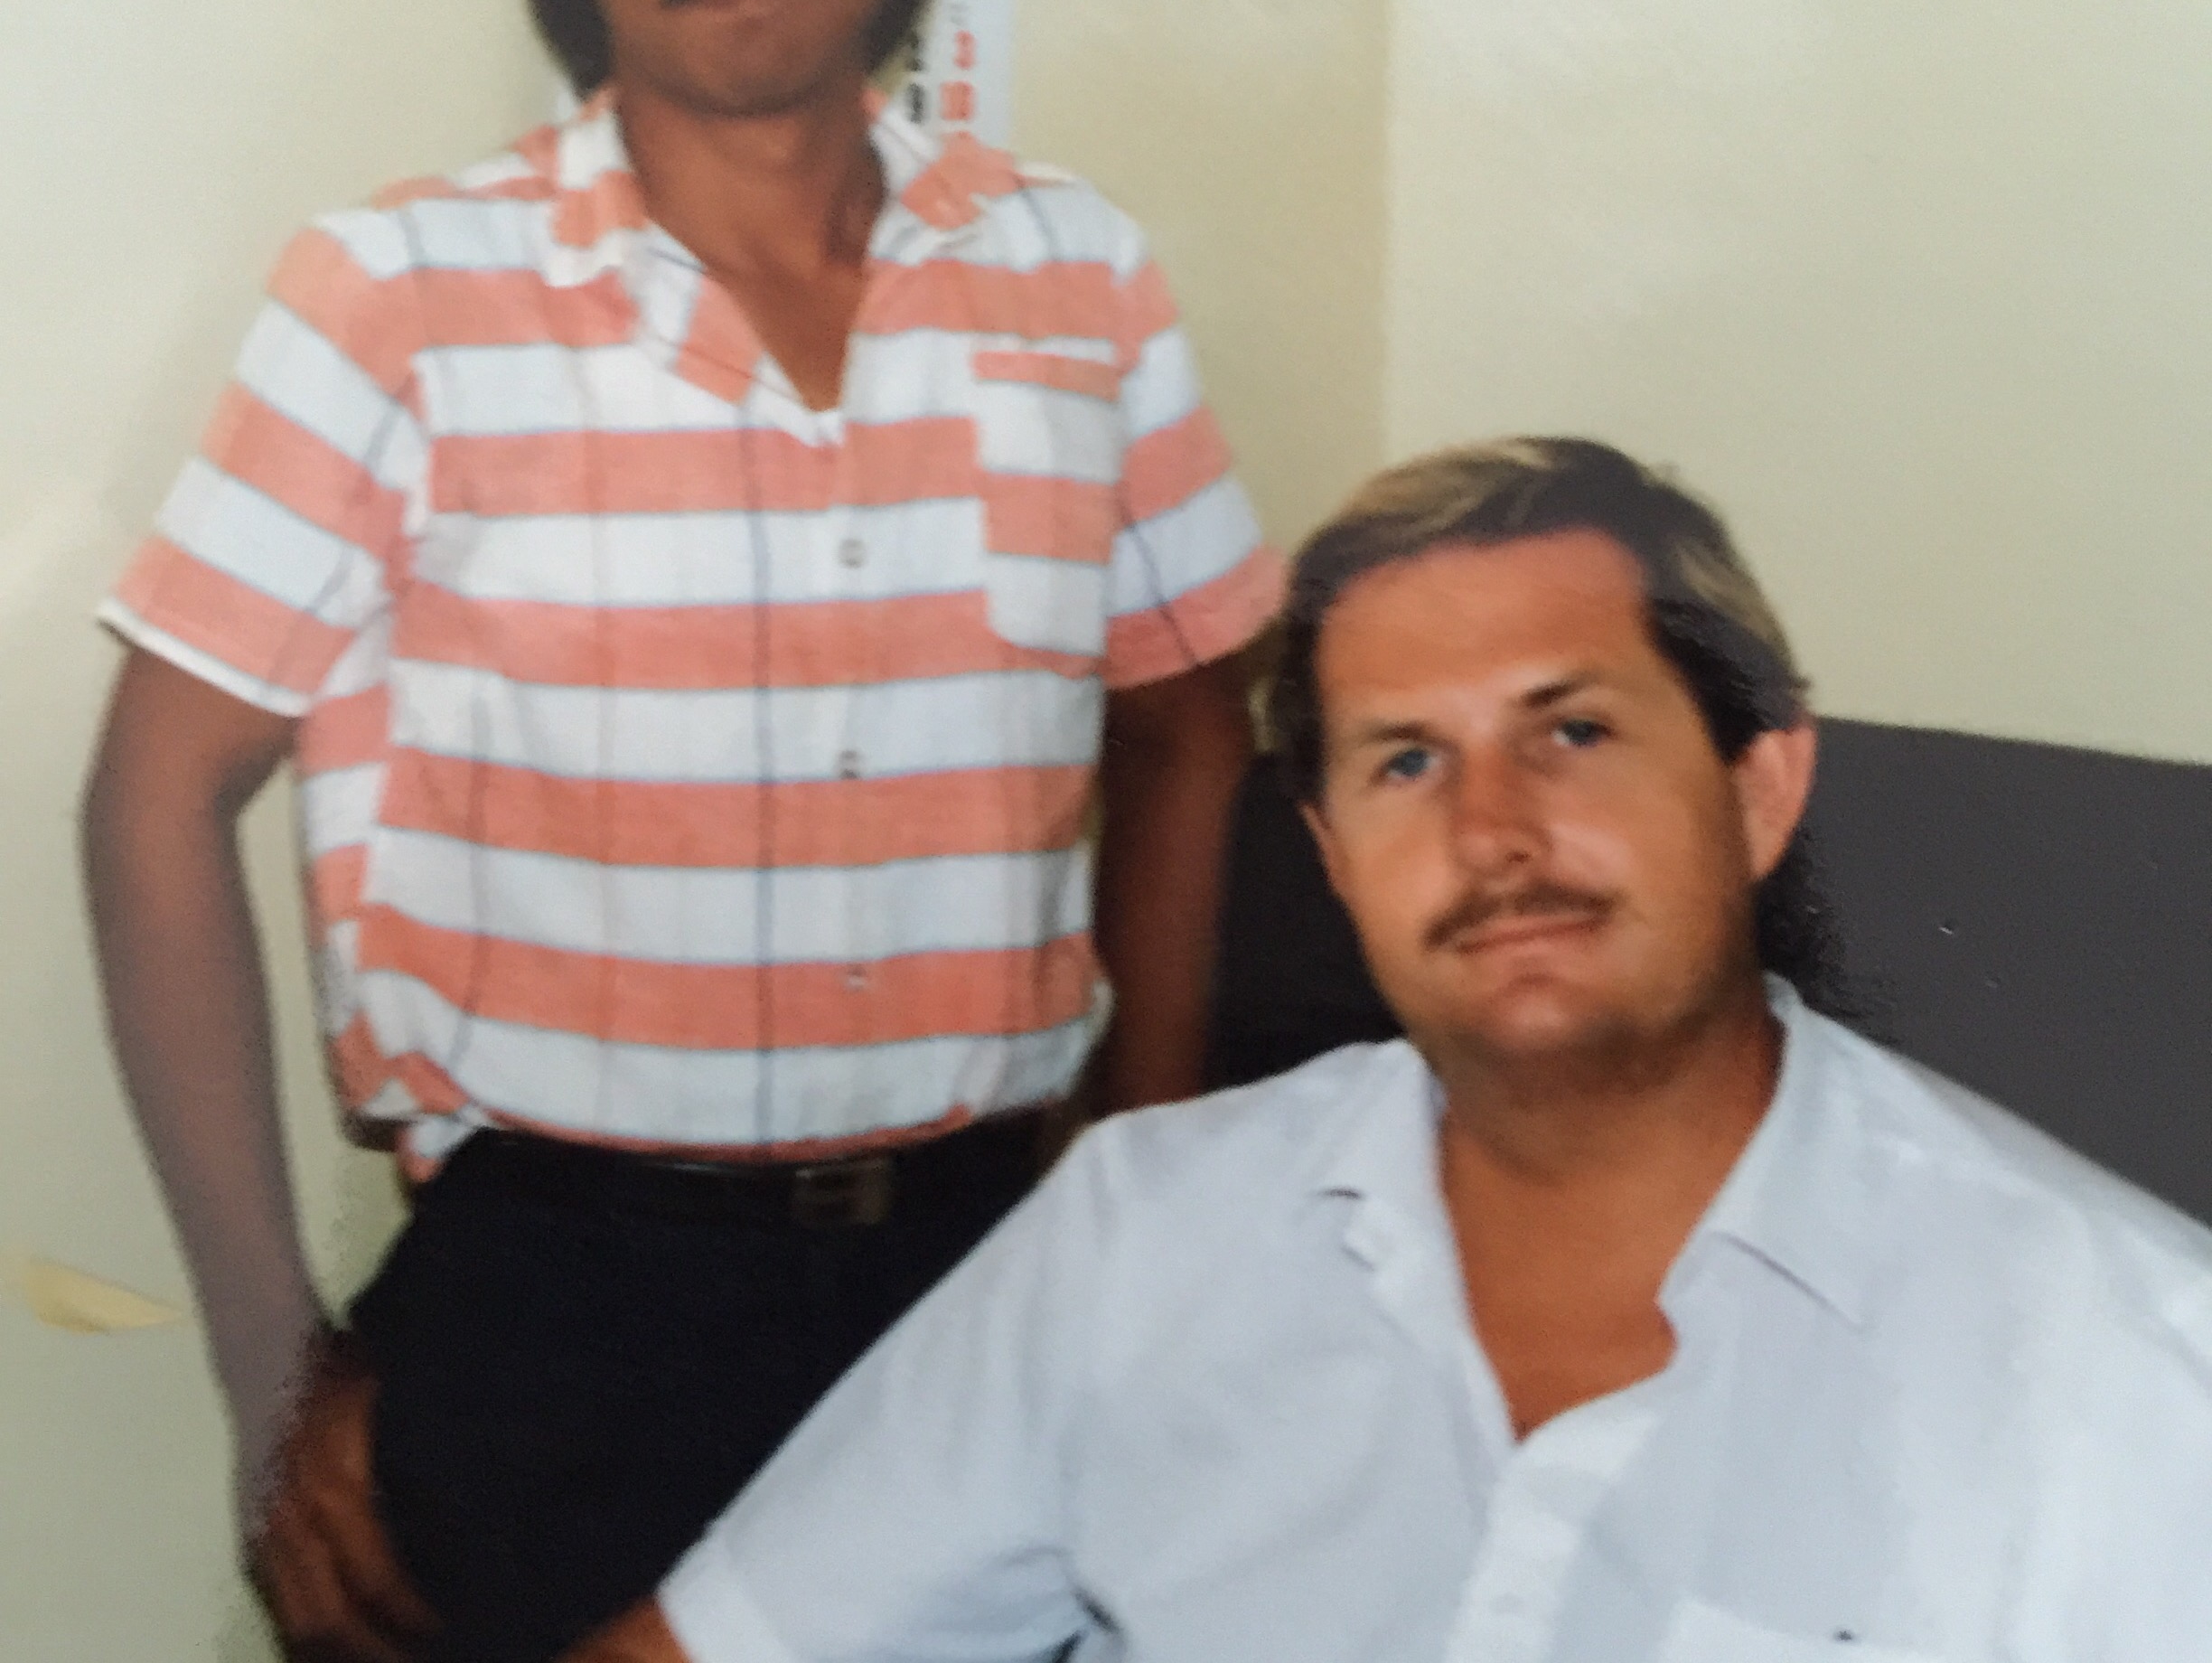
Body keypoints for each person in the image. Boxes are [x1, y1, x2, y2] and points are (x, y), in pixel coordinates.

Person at [79, 0, 1277, 1663]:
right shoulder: (400, 299)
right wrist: (269, 1377)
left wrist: (1144, 1187)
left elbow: (1192, 718)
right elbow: (153, 801)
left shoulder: (1081, 282)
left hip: (980, 1293)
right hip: (553, 1329)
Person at [566, 437, 2212, 1663]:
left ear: (1759, 787)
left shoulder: (2124, 1370)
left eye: (1572, 731)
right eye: (1407, 763)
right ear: (1335, 856)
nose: (1494, 831)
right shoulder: (1141, 1236)